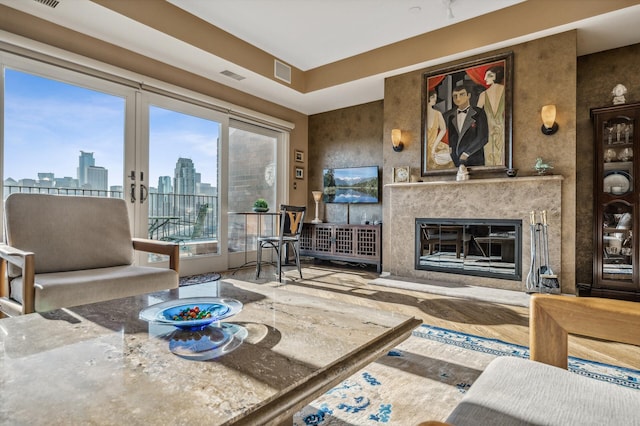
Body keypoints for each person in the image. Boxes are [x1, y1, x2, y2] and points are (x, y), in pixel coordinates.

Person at [446, 84, 489, 167]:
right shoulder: (451, 116)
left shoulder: (479, 113)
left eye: (461, 94)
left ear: (468, 95)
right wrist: (453, 155)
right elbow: (451, 140)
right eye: (455, 96)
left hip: (475, 160)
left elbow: (483, 137)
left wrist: (466, 153)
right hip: (457, 162)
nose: (458, 98)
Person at [477, 65, 505, 166]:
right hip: (502, 130)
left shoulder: (483, 95)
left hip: (489, 131)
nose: (485, 79)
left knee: (491, 163)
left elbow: (477, 116)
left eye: (489, 75)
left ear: (496, 76)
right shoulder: (507, 91)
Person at [425, 90, 452, 169]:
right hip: (423, 148)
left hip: (435, 144)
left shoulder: (437, 114)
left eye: (435, 97)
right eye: (433, 97)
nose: (435, 100)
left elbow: (443, 130)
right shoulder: (419, 115)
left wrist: (434, 147)